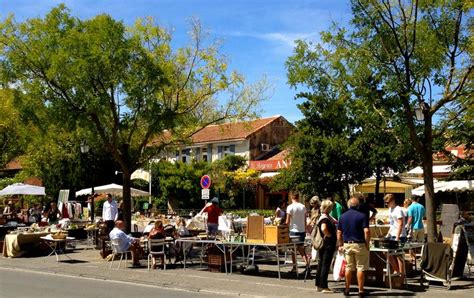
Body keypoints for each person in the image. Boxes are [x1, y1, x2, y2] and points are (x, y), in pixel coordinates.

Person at [337, 195, 370, 296]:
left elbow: (338, 232)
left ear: (349, 205)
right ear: (357, 205)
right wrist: (367, 243)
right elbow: (367, 231)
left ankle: (347, 289)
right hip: (359, 244)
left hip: (347, 244)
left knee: (348, 267)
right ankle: (361, 290)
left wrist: (340, 244)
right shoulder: (362, 216)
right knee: (360, 268)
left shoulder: (342, 216)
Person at [315, 199, 337, 293]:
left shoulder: (325, 216)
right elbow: (324, 228)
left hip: (324, 243)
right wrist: (329, 235)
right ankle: (324, 286)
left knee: (321, 263)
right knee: (325, 264)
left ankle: (318, 284)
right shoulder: (325, 218)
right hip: (327, 243)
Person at [384, 193, 407, 277]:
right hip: (392, 234)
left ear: (393, 201)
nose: (386, 204)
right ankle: (396, 270)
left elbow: (400, 224)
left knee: (398, 255)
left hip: (400, 235)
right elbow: (392, 223)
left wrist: (397, 237)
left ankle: (401, 275)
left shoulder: (398, 209)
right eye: (385, 202)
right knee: (386, 252)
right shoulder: (390, 210)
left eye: (388, 202)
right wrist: (388, 233)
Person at [286, 193, 309, 272]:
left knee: (293, 250)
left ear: (291, 197)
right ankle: (307, 264)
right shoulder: (303, 207)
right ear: (298, 197)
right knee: (301, 248)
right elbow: (305, 220)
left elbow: (287, 221)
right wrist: (305, 229)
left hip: (293, 231)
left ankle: (294, 267)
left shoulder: (290, 207)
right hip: (302, 230)